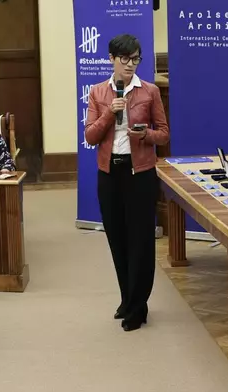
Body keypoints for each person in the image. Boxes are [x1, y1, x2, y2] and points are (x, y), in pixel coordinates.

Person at [84, 34, 169, 332]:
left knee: (141, 242)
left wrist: (145, 134)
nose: (130, 65)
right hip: (109, 174)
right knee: (117, 238)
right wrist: (111, 112)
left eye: (136, 59)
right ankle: (127, 298)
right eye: (125, 59)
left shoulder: (150, 92)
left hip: (141, 174)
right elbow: (90, 137)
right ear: (111, 58)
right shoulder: (97, 93)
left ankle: (137, 306)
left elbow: (164, 134)